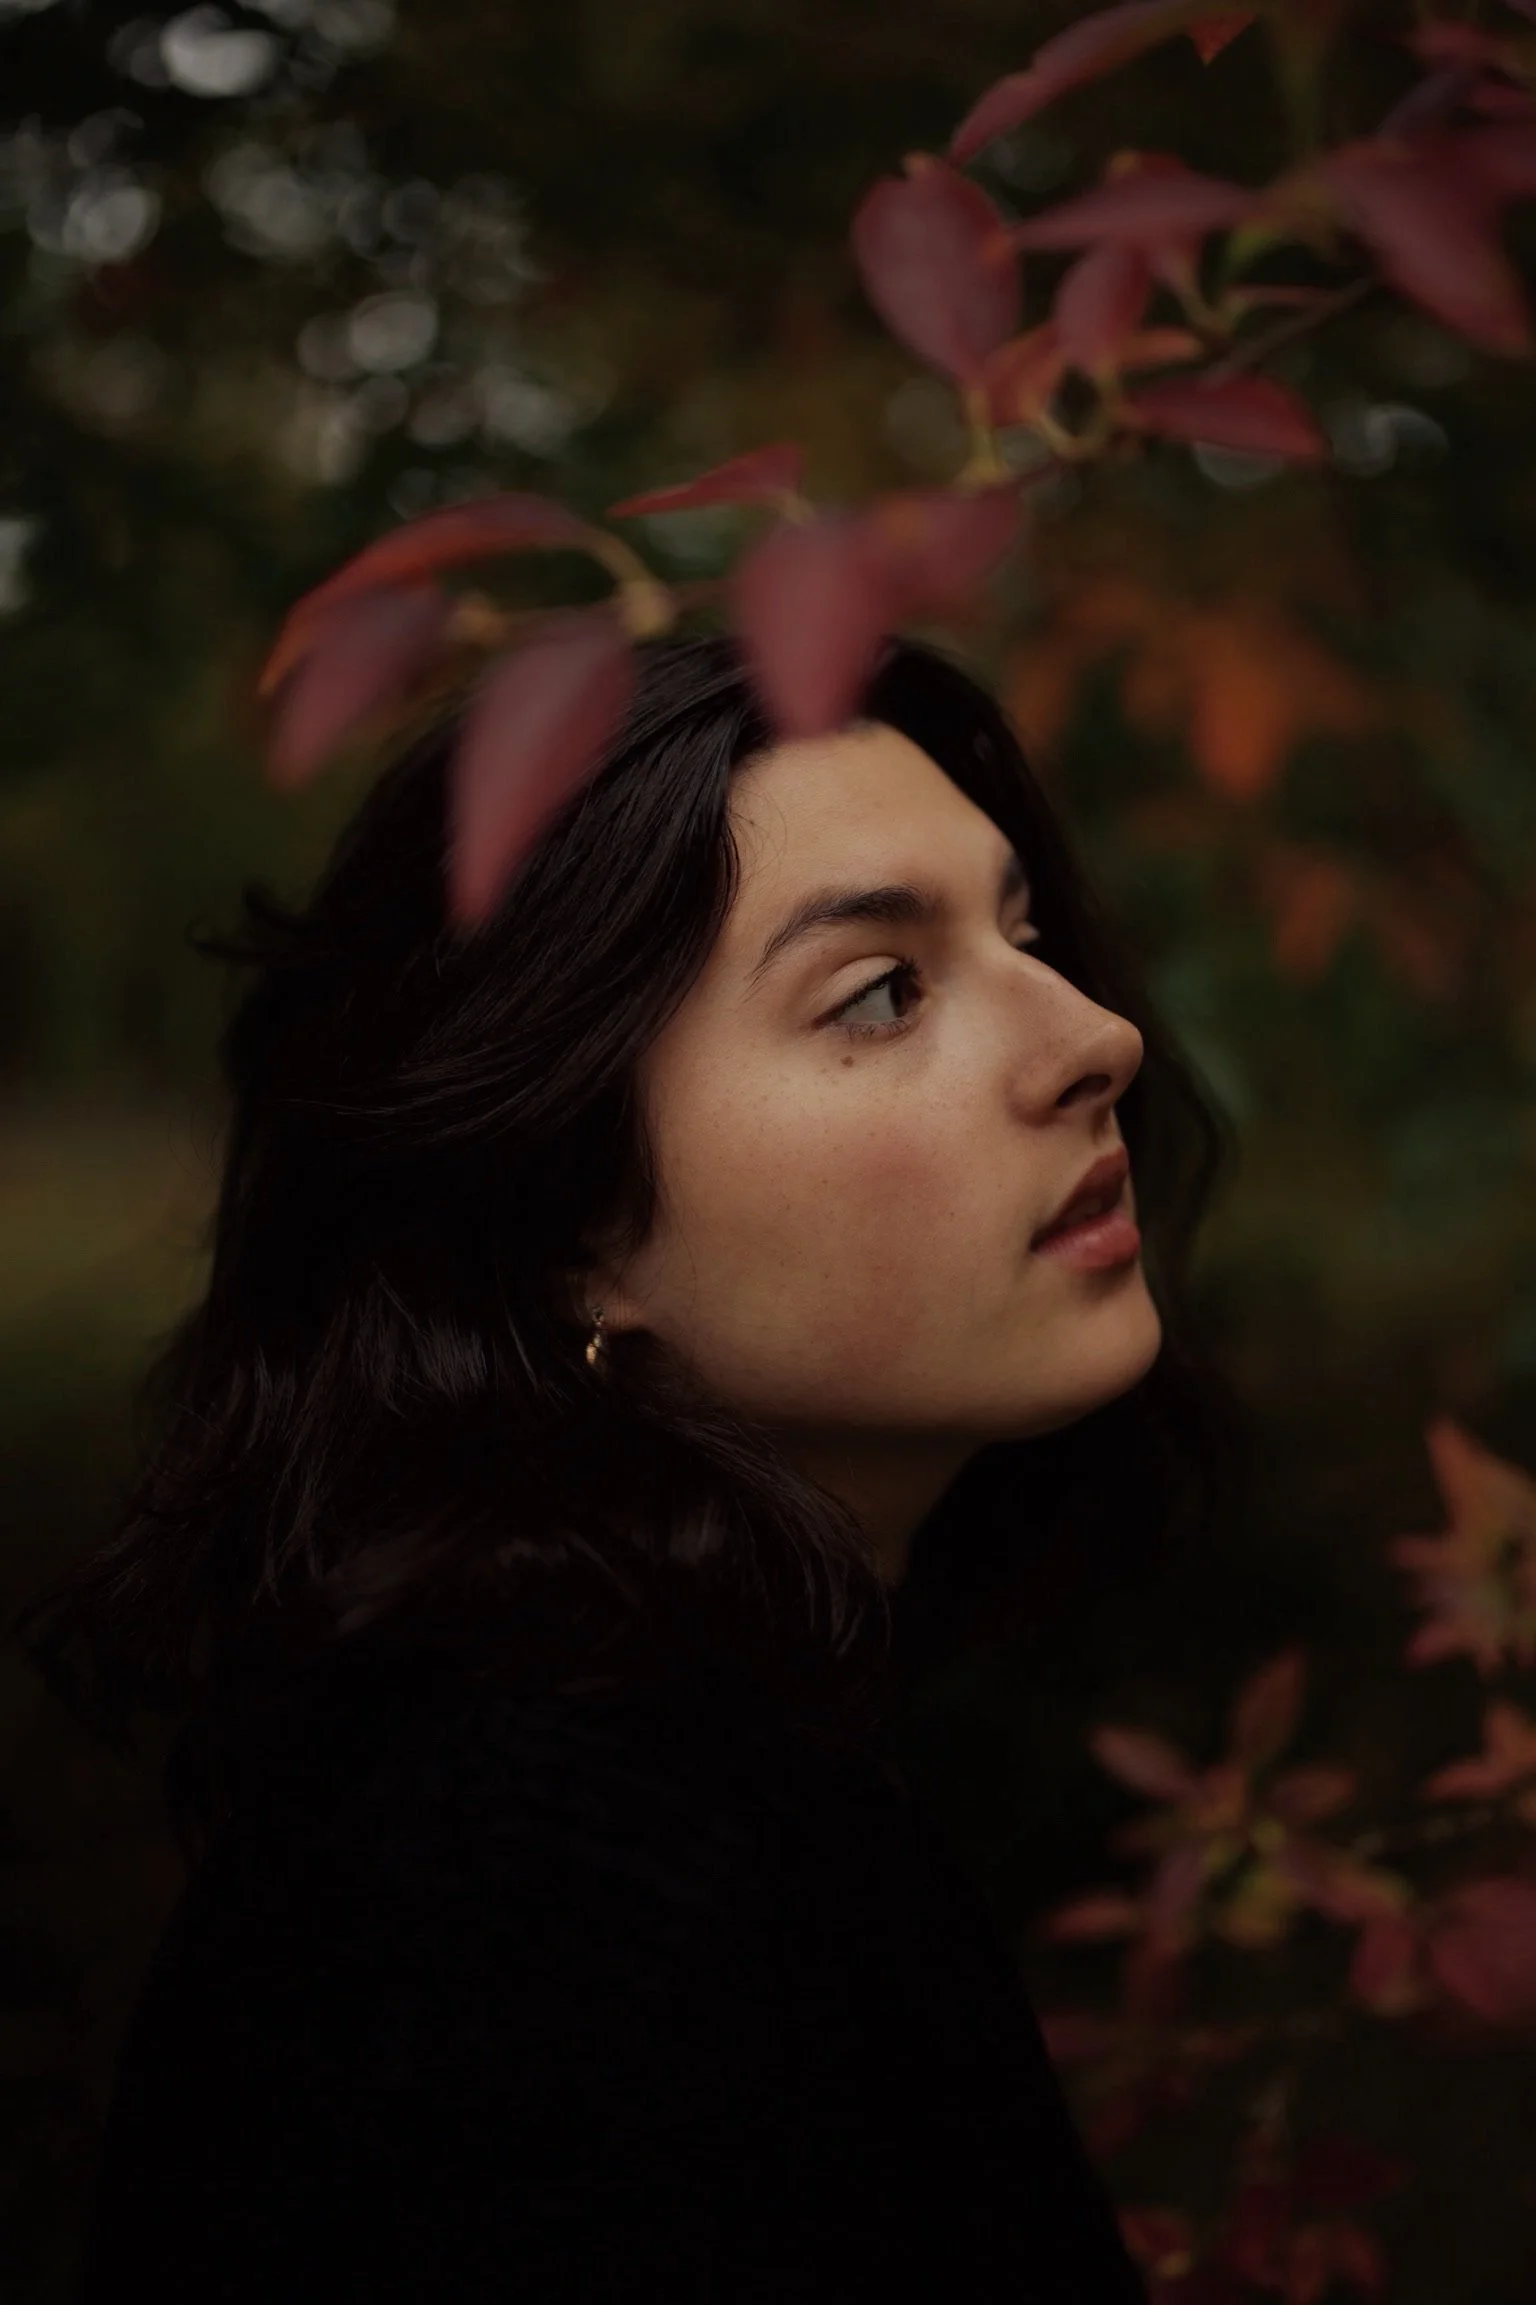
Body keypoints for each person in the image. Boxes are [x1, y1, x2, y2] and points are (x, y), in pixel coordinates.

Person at [23, 632, 1234, 2301]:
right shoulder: (513, 1918)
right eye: (881, 990)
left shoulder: (683, 1767)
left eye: (1023, 931)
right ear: (565, 1224)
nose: (1098, 1033)